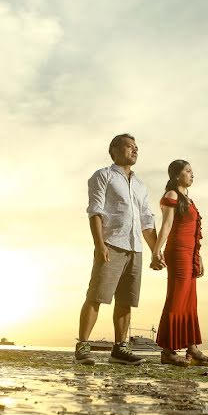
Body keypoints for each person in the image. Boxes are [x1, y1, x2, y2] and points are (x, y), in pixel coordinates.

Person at [75, 134, 162, 365]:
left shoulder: (141, 186)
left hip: (135, 248)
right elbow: (95, 211)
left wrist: (155, 251)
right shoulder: (103, 176)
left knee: (126, 301)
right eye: (129, 146)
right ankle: (83, 347)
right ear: (114, 150)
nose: (135, 150)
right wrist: (99, 244)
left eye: (136, 147)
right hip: (111, 244)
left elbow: (147, 221)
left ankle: (119, 349)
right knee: (96, 296)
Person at [151, 160, 208, 366]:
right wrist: (156, 250)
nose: (192, 174)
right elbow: (167, 224)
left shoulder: (189, 199)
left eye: (192, 171)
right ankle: (167, 351)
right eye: (188, 171)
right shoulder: (172, 196)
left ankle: (192, 349)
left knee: (190, 301)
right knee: (177, 298)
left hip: (190, 254)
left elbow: (193, 232)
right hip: (177, 252)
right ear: (177, 175)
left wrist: (198, 256)